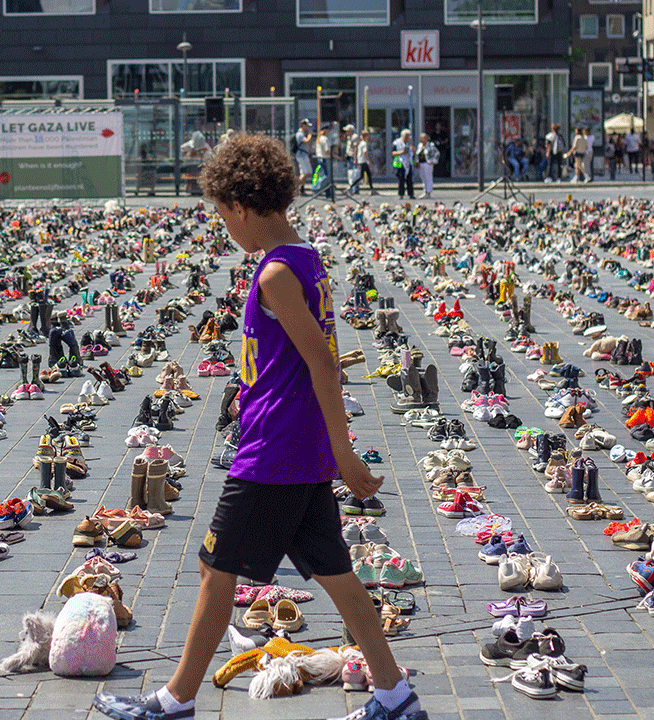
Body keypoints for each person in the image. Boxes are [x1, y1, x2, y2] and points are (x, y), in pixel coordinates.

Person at [91, 131, 426, 720]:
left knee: (215, 568)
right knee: (339, 576)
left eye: (224, 217)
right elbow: (325, 348)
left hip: (274, 451)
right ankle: (395, 695)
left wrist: (345, 453)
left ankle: (175, 702)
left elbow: (323, 360)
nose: (227, 229)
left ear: (240, 206)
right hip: (297, 448)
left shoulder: (274, 274)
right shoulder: (305, 259)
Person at [314, 123, 335, 200]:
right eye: (329, 130)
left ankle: (327, 193)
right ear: (325, 130)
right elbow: (327, 151)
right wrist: (335, 156)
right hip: (325, 159)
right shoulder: (324, 139)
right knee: (327, 177)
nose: (329, 131)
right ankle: (317, 189)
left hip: (320, 159)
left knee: (323, 176)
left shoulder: (319, 138)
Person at [293, 119, 314, 193]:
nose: (308, 128)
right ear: (303, 125)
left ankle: (301, 189)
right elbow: (307, 141)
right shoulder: (300, 134)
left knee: (303, 172)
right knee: (308, 172)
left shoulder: (302, 133)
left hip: (303, 154)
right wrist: (310, 134)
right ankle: (295, 185)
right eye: (307, 126)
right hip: (302, 155)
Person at [392, 128, 414, 199]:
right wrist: (401, 152)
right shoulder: (396, 142)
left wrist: (411, 143)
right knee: (401, 179)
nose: (407, 138)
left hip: (408, 162)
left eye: (408, 136)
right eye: (406, 136)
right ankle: (401, 194)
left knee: (409, 179)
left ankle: (411, 194)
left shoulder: (409, 143)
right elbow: (393, 153)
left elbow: (414, 151)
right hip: (400, 163)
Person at [353, 129, 375, 194]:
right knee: (363, 176)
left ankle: (372, 189)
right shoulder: (364, 143)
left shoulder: (360, 143)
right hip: (363, 161)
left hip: (360, 161)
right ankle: (351, 186)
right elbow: (365, 153)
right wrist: (369, 162)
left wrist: (356, 159)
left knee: (367, 175)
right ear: (366, 136)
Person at [416, 132, 437, 198]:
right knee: (423, 177)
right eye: (422, 138)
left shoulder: (431, 145)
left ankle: (429, 192)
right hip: (421, 163)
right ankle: (425, 191)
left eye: (424, 138)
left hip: (428, 163)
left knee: (428, 178)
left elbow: (436, 153)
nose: (423, 139)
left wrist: (433, 161)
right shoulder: (420, 145)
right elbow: (418, 154)